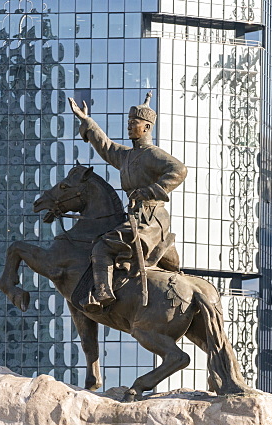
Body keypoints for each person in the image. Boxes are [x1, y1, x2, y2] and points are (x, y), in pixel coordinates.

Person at [67, 92, 187, 312]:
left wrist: (150, 191)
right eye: (129, 123)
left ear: (147, 127)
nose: (130, 126)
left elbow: (179, 170)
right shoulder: (126, 156)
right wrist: (86, 121)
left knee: (103, 246)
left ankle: (102, 294)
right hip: (134, 217)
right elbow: (105, 146)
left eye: (135, 123)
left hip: (151, 219)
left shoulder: (153, 154)